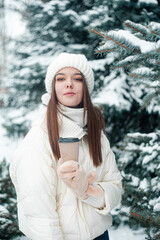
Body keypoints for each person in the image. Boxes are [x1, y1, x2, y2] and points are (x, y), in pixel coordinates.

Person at [9, 52, 122, 240]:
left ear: (85, 87)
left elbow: (116, 188)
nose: (69, 84)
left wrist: (87, 190)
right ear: (53, 87)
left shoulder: (96, 133)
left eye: (77, 79)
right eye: (60, 78)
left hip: (101, 235)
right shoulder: (40, 137)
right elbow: (39, 215)